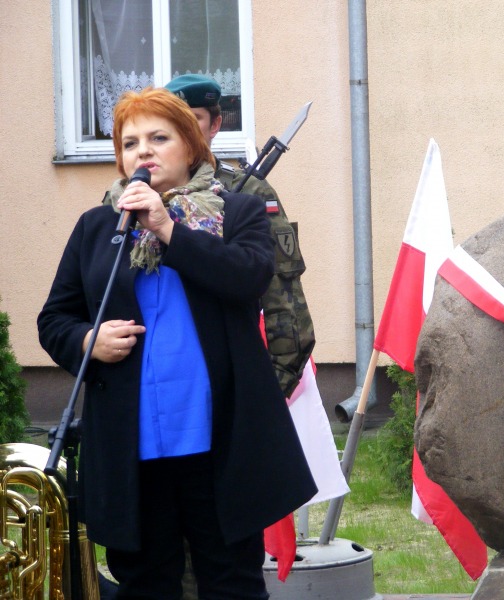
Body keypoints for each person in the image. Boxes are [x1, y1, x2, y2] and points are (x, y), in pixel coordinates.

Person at [38, 87, 316, 599]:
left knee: (230, 582)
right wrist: (86, 340)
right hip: (133, 444)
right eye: (130, 142)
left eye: (158, 138)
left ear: (190, 146)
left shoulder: (238, 212)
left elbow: (249, 277)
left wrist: (169, 228)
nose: (143, 151)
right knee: (146, 584)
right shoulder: (97, 227)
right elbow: (55, 318)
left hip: (219, 440)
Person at [166, 74, 315, 399]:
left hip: (231, 370)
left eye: (193, 120)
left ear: (215, 124)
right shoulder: (142, 198)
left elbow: (284, 299)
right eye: (172, 122)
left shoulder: (248, 192)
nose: (182, 132)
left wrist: (269, 393)